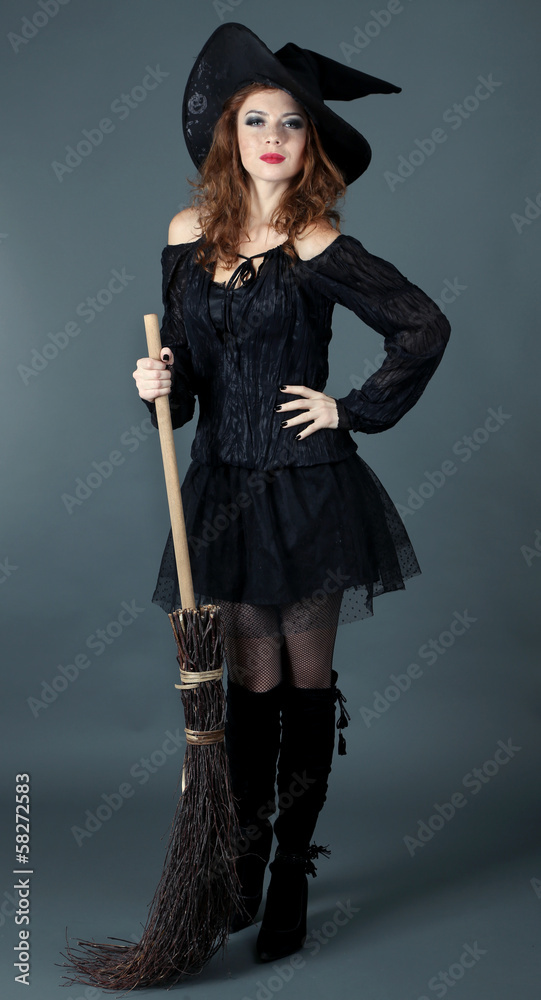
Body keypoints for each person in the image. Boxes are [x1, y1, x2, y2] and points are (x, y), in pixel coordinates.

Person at [133, 23, 451, 964]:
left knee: (306, 688)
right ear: (228, 134)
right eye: (255, 120)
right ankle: (239, 856)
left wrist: (349, 409)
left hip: (308, 490)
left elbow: (422, 326)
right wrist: (155, 386)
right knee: (250, 686)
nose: (272, 137)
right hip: (223, 489)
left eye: (292, 123)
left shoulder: (317, 243)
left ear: (311, 142)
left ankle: (291, 873)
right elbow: (187, 384)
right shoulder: (186, 237)